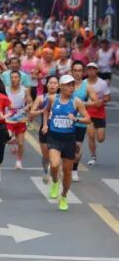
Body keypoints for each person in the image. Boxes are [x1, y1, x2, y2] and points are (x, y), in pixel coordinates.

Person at [41, 74, 91, 210]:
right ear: (61, 87)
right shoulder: (53, 99)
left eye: (72, 85)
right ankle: (55, 181)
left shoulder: (77, 102)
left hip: (69, 140)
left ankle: (63, 196)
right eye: (68, 85)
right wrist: (45, 124)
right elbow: (45, 111)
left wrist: (76, 119)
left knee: (67, 171)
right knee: (54, 164)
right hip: (54, 138)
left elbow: (88, 119)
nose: (71, 88)